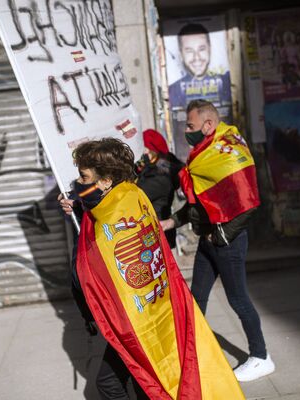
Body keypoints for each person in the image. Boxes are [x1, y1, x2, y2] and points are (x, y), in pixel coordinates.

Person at [59, 138, 245, 399]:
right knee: (145, 381)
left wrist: (81, 208)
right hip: (153, 311)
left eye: (84, 176)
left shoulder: (112, 213)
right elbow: (96, 217)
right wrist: (79, 206)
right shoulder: (131, 195)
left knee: (120, 383)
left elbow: (94, 255)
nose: (79, 182)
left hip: (137, 322)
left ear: (105, 180)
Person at [160, 100, 276, 382]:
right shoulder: (204, 154)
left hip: (228, 241)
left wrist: (221, 235)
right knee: (196, 298)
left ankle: (261, 356)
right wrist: (172, 221)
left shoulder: (228, 152)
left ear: (208, 125)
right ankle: (193, 353)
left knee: (238, 300)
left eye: (190, 125)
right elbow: (200, 204)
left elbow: (248, 202)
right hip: (209, 239)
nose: (187, 131)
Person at [135, 129, 184, 249]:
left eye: (142, 147)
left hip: (156, 236)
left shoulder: (161, 175)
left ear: (152, 151)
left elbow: (136, 195)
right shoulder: (151, 169)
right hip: (151, 233)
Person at [168, 23, 231, 110]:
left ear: (210, 48)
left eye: (201, 49)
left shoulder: (228, 82)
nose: (197, 57)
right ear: (181, 54)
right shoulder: (172, 92)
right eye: (189, 51)